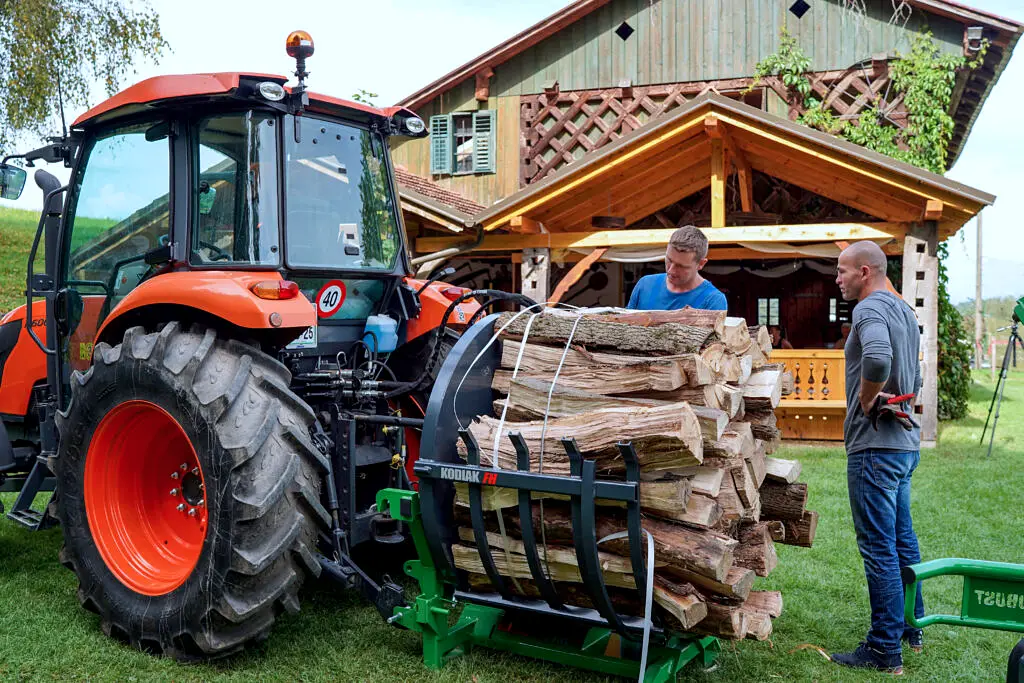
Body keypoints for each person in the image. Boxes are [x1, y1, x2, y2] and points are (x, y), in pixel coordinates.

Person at [831, 241, 924, 675]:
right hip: (905, 447)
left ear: (865, 272)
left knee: (879, 546)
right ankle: (912, 627)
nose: (838, 279)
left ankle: (884, 649)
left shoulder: (868, 310)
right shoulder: (905, 311)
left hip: (875, 447)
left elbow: (879, 357)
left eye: (842, 272)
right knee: (902, 539)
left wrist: (869, 400)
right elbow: (916, 376)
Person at [626, 225, 727, 311]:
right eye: (669, 260)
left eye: (681, 266)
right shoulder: (644, 285)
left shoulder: (713, 300)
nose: (671, 271)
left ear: (701, 264)